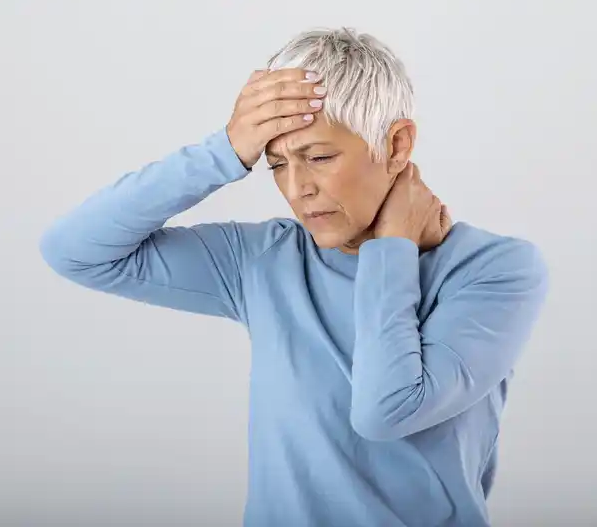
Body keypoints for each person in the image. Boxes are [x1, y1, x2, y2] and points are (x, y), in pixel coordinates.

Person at [39, 27, 549, 527]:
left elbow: (386, 410)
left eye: (319, 157)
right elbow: (75, 250)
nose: (296, 188)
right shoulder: (263, 258)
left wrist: (390, 247)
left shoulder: (496, 271)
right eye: (277, 164)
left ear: (396, 145)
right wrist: (226, 150)